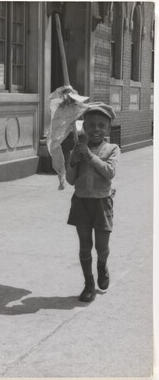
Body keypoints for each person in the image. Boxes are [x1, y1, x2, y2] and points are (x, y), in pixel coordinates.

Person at [66, 103, 120, 302]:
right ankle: (89, 284)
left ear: (108, 128)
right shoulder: (78, 149)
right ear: (84, 128)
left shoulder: (112, 149)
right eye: (90, 125)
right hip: (81, 202)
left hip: (102, 203)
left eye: (101, 126)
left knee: (102, 247)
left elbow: (110, 172)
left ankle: (102, 265)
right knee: (84, 246)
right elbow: (71, 179)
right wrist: (73, 161)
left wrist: (89, 156)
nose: (96, 129)